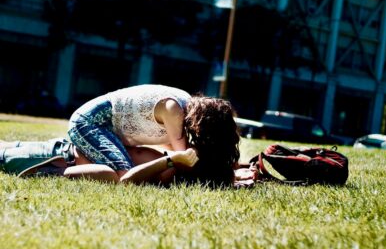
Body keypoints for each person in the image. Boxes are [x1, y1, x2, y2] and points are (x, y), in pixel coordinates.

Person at [68, 84, 240, 186]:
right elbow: (184, 159)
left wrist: (231, 168)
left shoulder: (184, 106)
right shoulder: (174, 110)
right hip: (89, 123)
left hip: (105, 126)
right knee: (126, 175)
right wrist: (230, 174)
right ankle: (57, 172)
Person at [0, 138, 255, 187]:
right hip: (58, 152)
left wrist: (239, 172)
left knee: (107, 175)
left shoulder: (172, 170)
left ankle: (47, 175)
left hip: (58, 156)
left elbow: (126, 179)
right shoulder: (176, 164)